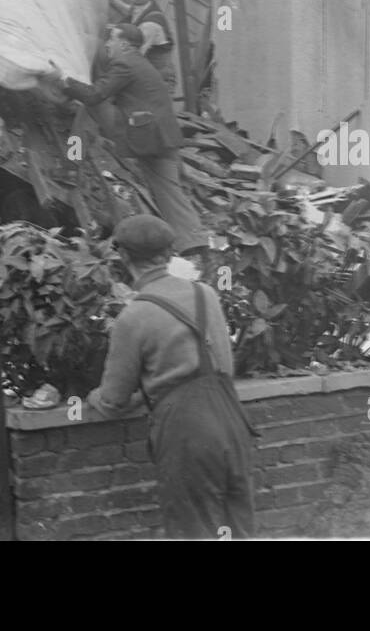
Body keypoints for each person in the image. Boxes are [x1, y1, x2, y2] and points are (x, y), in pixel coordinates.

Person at [87, 214, 256, 540]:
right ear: (169, 253)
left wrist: (91, 398)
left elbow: (113, 401)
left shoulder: (133, 317)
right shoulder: (205, 294)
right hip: (232, 421)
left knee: (193, 531)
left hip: (186, 434)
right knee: (239, 530)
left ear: (123, 257)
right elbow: (226, 367)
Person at [44, 23, 206, 253]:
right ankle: (194, 241)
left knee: (90, 107)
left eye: (111, 40)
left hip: (143, 132)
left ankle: (71, 166)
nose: (108, 44)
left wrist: (64, 81)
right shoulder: (141, 64)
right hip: (163, 138)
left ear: (123, 44)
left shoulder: (126, 63)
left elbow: (95, 94)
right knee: (169, 188)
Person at [110, 0, 176, 89]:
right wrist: (113, 0)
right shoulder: (143, 7)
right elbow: (129, 10)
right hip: (147, 73)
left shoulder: (150, 25)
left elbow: (135, 57)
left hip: (158, 80)